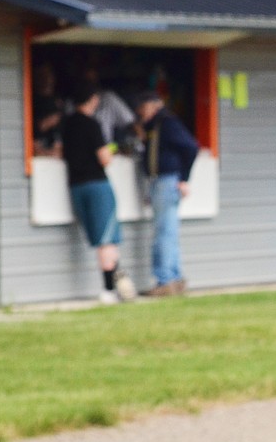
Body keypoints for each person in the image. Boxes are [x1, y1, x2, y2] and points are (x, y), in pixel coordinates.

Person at [61, 80, 136, 304]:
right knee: (107, 239)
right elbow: (104, 158)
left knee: (99, 237)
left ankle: (119, 281)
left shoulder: (67, 124)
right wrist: (113, 149)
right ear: (92, 99)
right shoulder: (91, 124)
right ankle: (108, 290)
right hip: (97, 185)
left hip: (76, 186)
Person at [134, 90, 198, 296]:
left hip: (168, 180)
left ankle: (164, 281)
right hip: (158, 182)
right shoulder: (153, 127)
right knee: (168, 232)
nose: (140, 113)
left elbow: (191, 147)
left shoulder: (168, 123)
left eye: (142, 108)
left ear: (152, 105)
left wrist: (183, 178)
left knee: (163, 234)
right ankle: (175, 279)